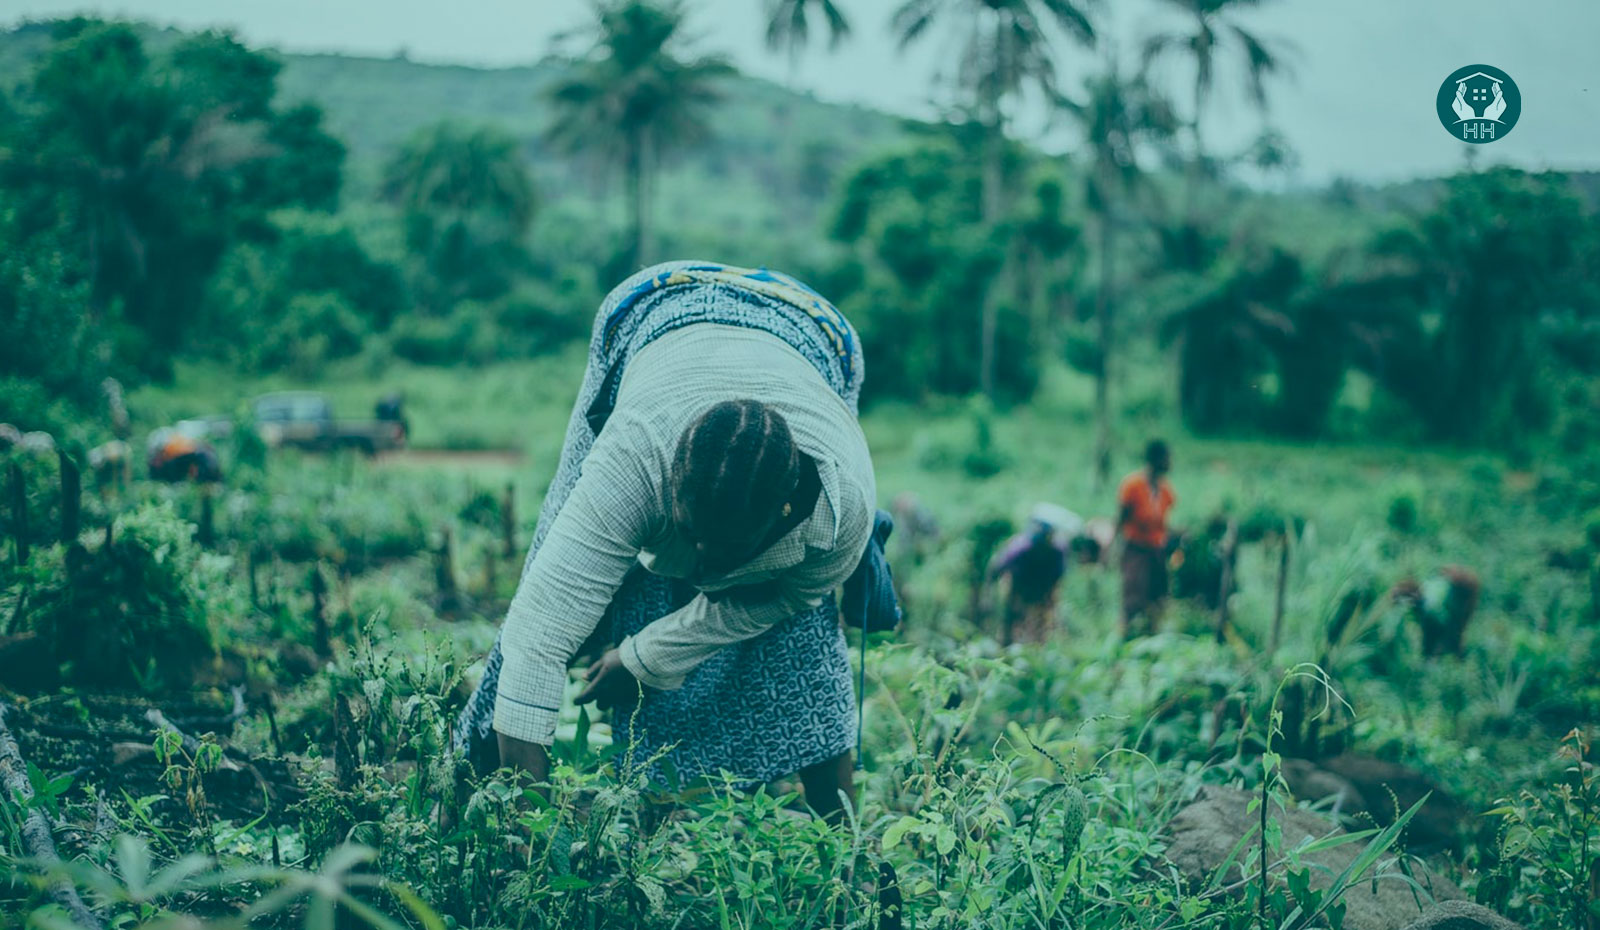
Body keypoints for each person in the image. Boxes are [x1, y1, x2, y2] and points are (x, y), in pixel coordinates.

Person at [453, 260, 886, 820]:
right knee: (549, 579)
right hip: (655, 308)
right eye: (691, 537)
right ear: (669, 487)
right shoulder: (635, 457)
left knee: (804, 638)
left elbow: (778, 601)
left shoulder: (839, 511)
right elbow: (539, 637)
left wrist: (644, 657)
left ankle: (842, 843)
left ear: (782, 515)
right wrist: (533, 830)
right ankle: (474, 781)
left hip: (818, 333)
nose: (700, 564)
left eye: (722, 551)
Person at [988, 504, 1079, 645]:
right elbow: (998, 567)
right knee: (1012, 616)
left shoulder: (1058, 550)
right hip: (1019, 585)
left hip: (1042, 586)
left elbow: (1057, 577)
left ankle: (1037, 646)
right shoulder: (1020, 548)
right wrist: (988, 594)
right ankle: (1006, 645)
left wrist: (1050, 599)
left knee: (1042, 620)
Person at [1116, 440, 1176, 638]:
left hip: (1156, 549)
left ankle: (1152, 636)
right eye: (1167, 458)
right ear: (1156, 459)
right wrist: (1114, 546)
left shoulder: (1165, 490)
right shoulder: (1132, 485)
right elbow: (1122, 518)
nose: (1169, 462)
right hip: (1136, 548)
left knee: (1157, 596)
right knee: (1133, 597)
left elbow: (1164, 522)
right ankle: (1126, 637)